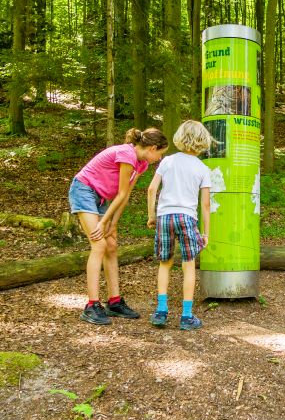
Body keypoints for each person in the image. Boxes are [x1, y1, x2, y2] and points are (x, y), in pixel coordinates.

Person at [69, 127, 168, 325]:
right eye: (160, 153)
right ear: (152, 148)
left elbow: (126, 196)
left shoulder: (141, 164)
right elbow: (121, 193)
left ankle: (114, 302)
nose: (159, 158)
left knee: (112, 245)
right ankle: (91, 305)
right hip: (84, 190)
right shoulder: (126, 154)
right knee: (99, 245)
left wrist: (113, 224)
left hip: (102, 198)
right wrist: (104, 222)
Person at [146, 120, 213, 330]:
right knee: (188, 265)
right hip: (187, 217)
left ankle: (161, 311)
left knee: (165, 263)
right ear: (203, 140)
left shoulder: (167, 161)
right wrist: (206, 233)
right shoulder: (203, 168)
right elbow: (205, 204)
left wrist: (151, 216)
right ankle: (186, 316)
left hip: (165, 216)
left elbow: (151, 189)